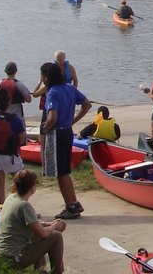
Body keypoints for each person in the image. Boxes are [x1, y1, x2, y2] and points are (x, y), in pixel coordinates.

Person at [0, 169, 67, 274]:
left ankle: (40, 270)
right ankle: (57, 272)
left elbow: (32, 224)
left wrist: (48, 224)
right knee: (55, 236)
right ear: (32, 188)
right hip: (11, 258)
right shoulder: (24, 206)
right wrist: (55, 226)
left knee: (36, 234)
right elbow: (43, 233)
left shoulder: (11, 198)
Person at [41, 61, 91, 220]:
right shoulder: (69, 88)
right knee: (65, 171)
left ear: (47, 77)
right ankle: (73, 203)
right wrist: (72, 121)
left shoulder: (52, 93)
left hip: (56, 133)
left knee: (60, 173)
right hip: (67, 132)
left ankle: (70, 206)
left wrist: (45, 128)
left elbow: (52, 117)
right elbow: (87, 104)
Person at [0, 87, 26, 204]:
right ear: (9, 102)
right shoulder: (15, 120)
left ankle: (2, 209)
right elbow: (21, 139)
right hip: (10, 156)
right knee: (20, 183)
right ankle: (19, 207)